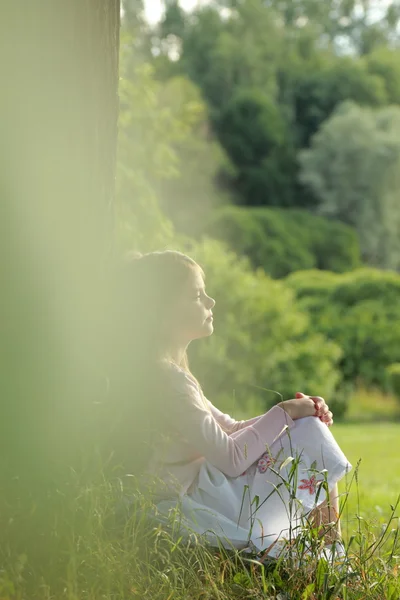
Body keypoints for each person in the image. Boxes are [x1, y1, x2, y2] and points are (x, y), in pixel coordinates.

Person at [105, 249, 352, 560]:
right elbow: (231, 458)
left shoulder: (170, 373)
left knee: (307, 426)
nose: (211, 302)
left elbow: (232, 428)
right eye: (196, 295)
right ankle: (333, 552)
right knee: (310, 434)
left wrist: (296, 413)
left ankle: (330, 549)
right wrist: (286, 412)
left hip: (206, 489)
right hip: (195, 500)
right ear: (162, 310)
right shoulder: (168, 382)